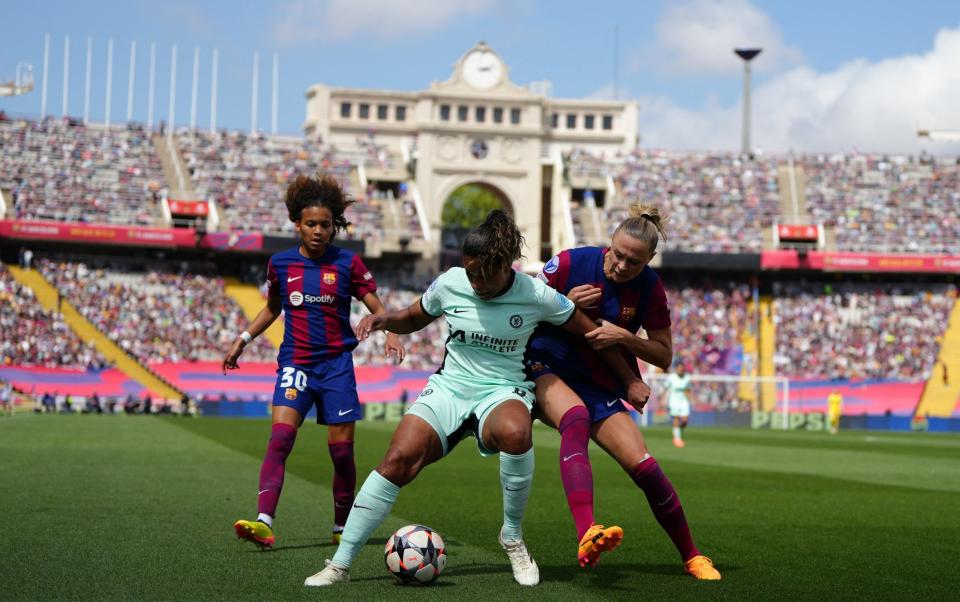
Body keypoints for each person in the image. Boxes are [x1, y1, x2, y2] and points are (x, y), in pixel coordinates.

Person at [303, 210, 649, 588]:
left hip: (503, 389)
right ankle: (339, 564)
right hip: (451, 387)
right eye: (471, 272)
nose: (477, 281)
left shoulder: (535, 294)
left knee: (517, 432)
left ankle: (512, 537)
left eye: (485, 273)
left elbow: (592, 334)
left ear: (507, 266)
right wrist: (385, 320)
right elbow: (414, 316)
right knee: (397, 459)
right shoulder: (451, 282)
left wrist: (630, 380)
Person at [525, 203, 721, 578]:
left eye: (634, 261)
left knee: (644, 465)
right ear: (609, 244)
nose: (621, 266)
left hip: (596, 378)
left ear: (649, 259)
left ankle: (693, 556)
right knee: (575, 418)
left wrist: (625, 337)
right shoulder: (568, 263)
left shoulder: (650, 289)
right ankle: (587, 531)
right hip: (542, 364)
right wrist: (561, 305)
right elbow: (518, 308)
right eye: (617, 255)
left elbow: (664, 355)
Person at [223, 172, 404, 550]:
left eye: (325, 224)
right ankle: (264, 522)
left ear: (334, 226)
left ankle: (342, 526)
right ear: (297, 224)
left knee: (341, 453)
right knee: (280, 439)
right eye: (311, 224)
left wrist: (391, 330)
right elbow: (272, 308)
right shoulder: (281, 264)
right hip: (295, 364)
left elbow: (376, 306)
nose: (319, 231)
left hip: (337, 367)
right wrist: (243, 339)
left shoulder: (348, 264)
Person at [664, 363, 693, 447]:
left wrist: (691, 399)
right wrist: (663, 399)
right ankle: (677, 439)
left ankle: (678, 433)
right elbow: (666, 388)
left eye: (682, 369)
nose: (681, 370)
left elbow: (688, 390)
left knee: (685, 421)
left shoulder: (687, 378)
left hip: (684, 401)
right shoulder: (671, 378)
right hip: (673, 400)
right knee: (676, 418)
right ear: (676, 369)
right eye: (679, 369)